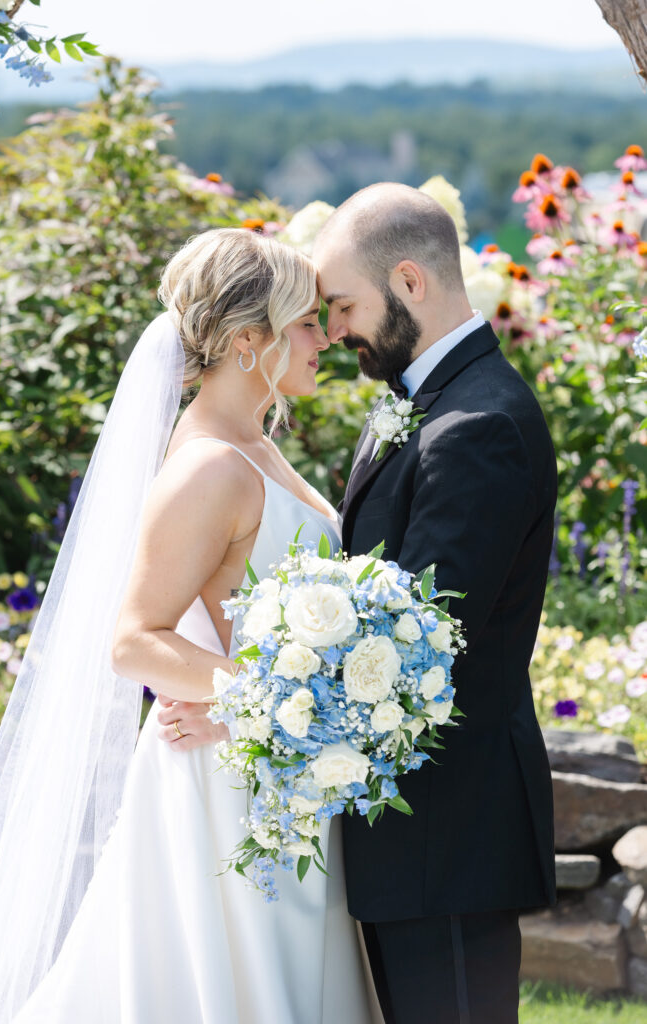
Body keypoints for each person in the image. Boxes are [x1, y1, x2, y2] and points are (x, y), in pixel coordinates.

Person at [0, 228, 377, 1023]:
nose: (323, 338)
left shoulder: (255, 445)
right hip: (224, 783)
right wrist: (269, 702)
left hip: (270, 765)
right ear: (248, 339)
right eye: (304, 322)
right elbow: (133, 639)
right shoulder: (210, 467)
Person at [309, 183, 557, 1024]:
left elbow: (417, 641)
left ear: (409, 281)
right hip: (414, 834)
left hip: (449, 830)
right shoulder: (427, 403)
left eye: (343, 304)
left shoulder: (476, 423)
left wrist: (262, 698)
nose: (334, 327)